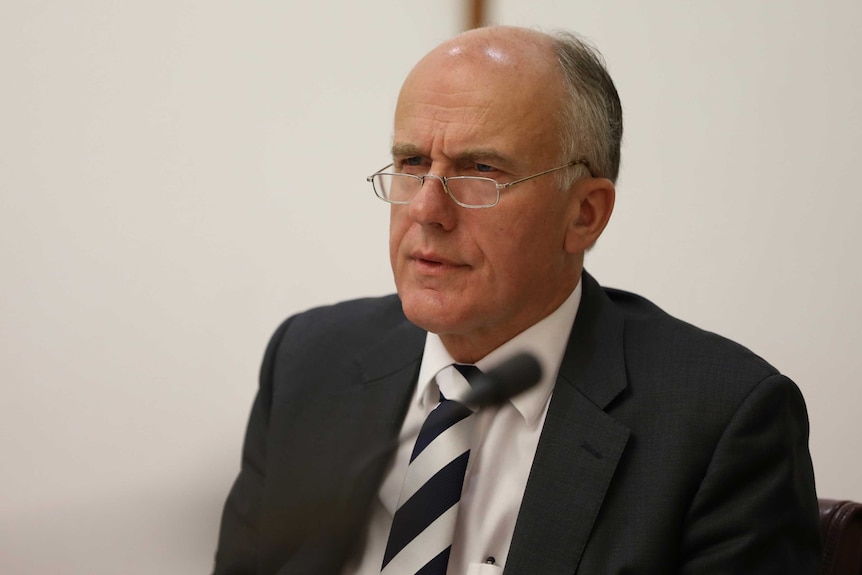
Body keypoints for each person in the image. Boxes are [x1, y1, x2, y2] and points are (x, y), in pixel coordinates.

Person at [213, 25, 821, 574]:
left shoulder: (721, 421)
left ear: (584, 214)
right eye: (412, 162)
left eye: (480, 170)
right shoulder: (310, 363)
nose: (427, 209)